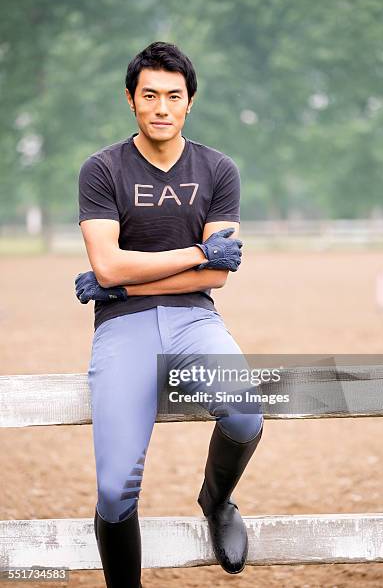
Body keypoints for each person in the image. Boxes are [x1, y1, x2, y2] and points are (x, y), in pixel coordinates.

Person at [75, 41, 264, 588]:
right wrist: (198, 251)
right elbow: (108, 265)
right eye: (149, 94)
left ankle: (217, 500)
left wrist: (124, 283)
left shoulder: (218, 169)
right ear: (130, 100)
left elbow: (216, 277)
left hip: (193, 320)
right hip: (121, 332)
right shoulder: (101, 169)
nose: (161, 107)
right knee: (114, 490)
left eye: (173, 96)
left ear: (190, 102)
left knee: (245, 411)